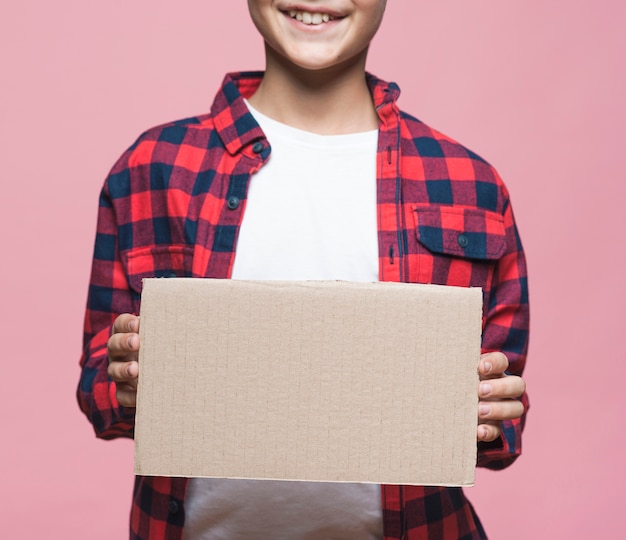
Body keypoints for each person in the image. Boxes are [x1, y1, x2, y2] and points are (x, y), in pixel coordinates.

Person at [77, 1, 529, 538]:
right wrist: (123, 378)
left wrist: (490, 413)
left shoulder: (469, 183)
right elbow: (99, 382)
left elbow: (503, 411)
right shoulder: (151, 167)